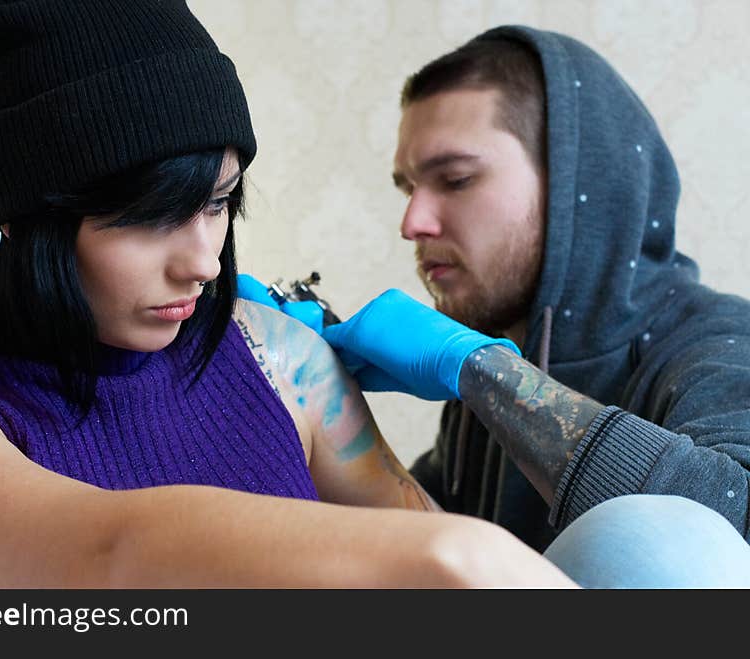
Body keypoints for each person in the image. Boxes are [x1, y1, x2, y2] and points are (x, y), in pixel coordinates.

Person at [0, 2, 577, 589]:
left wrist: (490, 380)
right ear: (26, 217)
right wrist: (455, 552)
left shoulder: (278, 355)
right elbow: (109, 554)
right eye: (152, 218)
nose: (204, 262)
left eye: (218, 205)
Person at [242, 26, 750, 587]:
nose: (413, 223)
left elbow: (720, 539)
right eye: (407, 188)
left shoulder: (721, 343)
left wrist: (485, 371)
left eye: (456, 179)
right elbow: (429, 560)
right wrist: (310, 395)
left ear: (573, 187)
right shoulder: (486, 382)